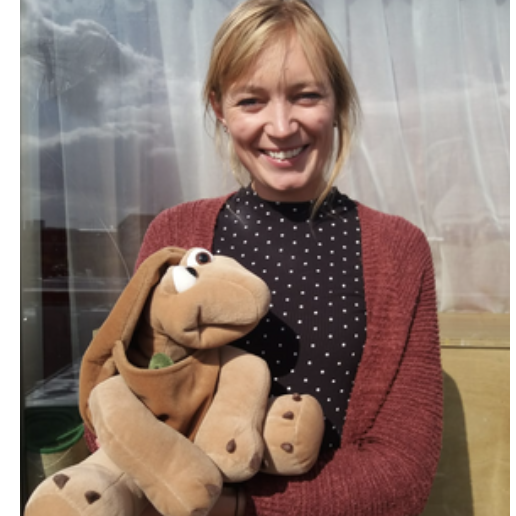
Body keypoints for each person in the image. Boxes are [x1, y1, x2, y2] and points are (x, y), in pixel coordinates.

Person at [136, 1, 443, 515]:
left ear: (337, 100)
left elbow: (403, 471)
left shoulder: (400, 251)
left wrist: (233, 508)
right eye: (251, 101)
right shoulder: (173, 236)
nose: (281, 127)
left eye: (305, 96)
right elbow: (122, 407)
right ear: (219, 108)